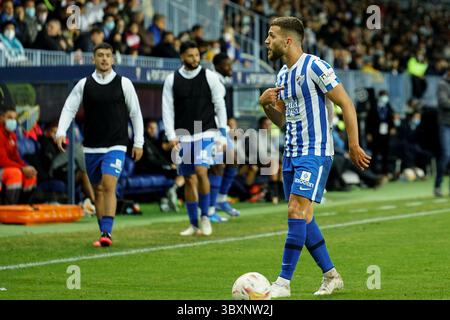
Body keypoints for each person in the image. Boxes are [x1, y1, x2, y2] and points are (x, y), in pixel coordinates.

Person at [259, 17, 370, 297]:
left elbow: (346, 103)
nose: (266, 41)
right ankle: (331, 275)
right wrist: (266, 106)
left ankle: (282, 283)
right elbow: (282, 120)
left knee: (296, 211)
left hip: (316, 151)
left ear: (288, 40)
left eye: (270, 36)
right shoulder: (283, 75)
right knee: (303, 218)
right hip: (292, 153)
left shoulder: (315, 66)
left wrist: (353, 145)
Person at [56, 42, 144, 247]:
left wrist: (138, 142)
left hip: (116, 145)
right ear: (93, 59)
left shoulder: (124, 83)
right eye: (100, 55)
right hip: (92, 146)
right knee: (97, 190)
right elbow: (69, 108)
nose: (104, 59)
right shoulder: (84, 84)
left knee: (108, 185)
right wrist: (61, 131)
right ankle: (103, 232)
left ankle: (107, 233)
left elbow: (135, 114)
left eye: (108, 55)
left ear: (113, 59)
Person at [162, 40, 227, 236]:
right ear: (182, 57)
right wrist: (170, 135)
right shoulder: (171, 80)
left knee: (201, 170)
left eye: (197, 55)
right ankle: (193, 224)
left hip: (206, 132)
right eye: (191, 56)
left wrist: (222, 133)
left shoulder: (210, 77)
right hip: (184, 136)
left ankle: (206, 216)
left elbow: (220, 105)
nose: (195, 59)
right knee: (188, 179)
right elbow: (167, 109)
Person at [207, 53, 240, 222]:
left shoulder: (222, 81)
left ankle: (221, 200)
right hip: (210, 128)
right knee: (218, 165)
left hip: (221, 128)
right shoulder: (212, 80)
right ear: (218, 65)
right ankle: (210, 209)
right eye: (227, 65)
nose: (230, 68)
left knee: (233, 159)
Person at [0, 107, 38, 204]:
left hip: (6, 169)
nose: (13, 121)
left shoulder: (12, 135)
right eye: (9, 118)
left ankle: (23, 207)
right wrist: (22, 169)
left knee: (31, 175)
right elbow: (2, 161)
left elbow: (16, 157)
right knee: (15, 173)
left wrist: (26, 167)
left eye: (14, 118)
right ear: (2, 118)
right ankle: (9, 209)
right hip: (2, 168)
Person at [434, 68, 450, 197]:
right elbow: (443, 102)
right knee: (446, 155)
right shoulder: (442, 84)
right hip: (445, 124)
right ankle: (438, 186)